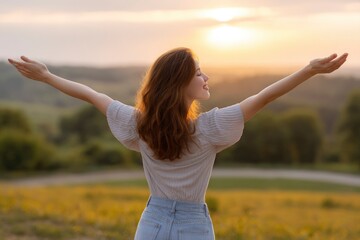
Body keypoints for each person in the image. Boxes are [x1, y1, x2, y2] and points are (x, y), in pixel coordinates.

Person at [8, 48, 348, 239]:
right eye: (199, 72)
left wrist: (47, 76)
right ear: (180, 82)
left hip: (151, 222)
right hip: (193, 225)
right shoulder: (211, 128)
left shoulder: (140, 124)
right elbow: (265, 96)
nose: (206, 77)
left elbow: (92, 94)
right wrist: (309, 70)